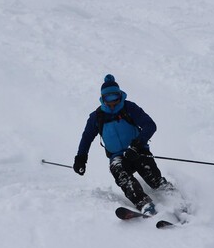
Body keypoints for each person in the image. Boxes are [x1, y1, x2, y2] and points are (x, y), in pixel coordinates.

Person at [73, 74, 173, 216]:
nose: (113, 101)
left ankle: (175, 199)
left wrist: (138, 144)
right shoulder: (97, 116)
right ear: (103, 98)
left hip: (138, 151)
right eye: (108, 97)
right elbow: (87, 137)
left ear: (120, 95)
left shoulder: (129, 108)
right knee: (121, 175)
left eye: (115, 96)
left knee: (153, 178)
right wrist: (81, 158)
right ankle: (144, 204)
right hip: (117, 156)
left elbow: (150, 125)